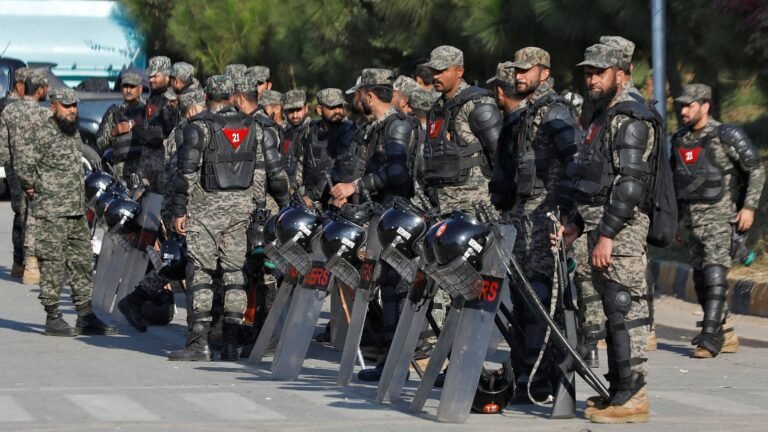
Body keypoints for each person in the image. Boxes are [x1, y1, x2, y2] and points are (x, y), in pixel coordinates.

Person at [560, 43, 653, 423]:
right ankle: (617, 391)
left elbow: (630, 185)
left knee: (623, 307)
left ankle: (634, 396)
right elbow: (592, 179)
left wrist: (608, 234)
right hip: (597, 223)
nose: (592, 78)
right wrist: (576, 225)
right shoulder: (602, 116)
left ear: (623, 71)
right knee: (608, 309)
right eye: (588, 72)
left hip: (622, 227)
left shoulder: (631, 117)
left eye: (600, 71)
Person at [168, 75, 289, 361]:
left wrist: (178, 211)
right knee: (236, 276)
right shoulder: (256, 128)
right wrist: (282, 206)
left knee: (201, 274)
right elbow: (273, 174)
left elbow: (185, 176)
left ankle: (199, 342)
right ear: (233, 96)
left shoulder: (198, 128)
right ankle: (232, 341)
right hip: (242, 212)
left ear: (208, 95)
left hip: (205, 212)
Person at [330, 68, 416, 381]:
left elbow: (397, 174)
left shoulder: (396, 127)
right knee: (388, 289)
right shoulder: (378, 127)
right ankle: (391, 363)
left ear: (368, 94)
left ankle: (398, 364)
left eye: (357, 95)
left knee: (397, 288)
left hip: (401, 216)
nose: (355, 101)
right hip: (384, 215)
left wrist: (356, 186)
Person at [672, 83, 765, 358]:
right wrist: (676, 221)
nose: (684, 110)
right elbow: (677, 182)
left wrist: (748, 208)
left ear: (705, 105)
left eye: (690, 105)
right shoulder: (679, 139)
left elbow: (755, 170)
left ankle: (709, 339)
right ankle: (726, 332)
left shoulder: (726, 135)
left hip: (719, 219)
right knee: (701, 280)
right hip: (691, 221)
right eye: (682, 105)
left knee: (715, 275)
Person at [15, 88, 118, 337]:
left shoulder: (72, 133)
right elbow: (23, 165)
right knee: (53, 263)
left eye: (74, 105)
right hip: (52, 211)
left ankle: (85, 315)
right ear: (53, 107)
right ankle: (53, 316)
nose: (72, 109)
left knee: (82, 262)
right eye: (67, 105)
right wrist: (31, 187)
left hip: (75, 210)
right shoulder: (42, 133)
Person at [119, 89, 208, 332]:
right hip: (185, 209)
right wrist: (177, 213)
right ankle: (198, 327)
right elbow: (181, 178)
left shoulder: (187, 132)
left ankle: (135, 300)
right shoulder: (185, 134)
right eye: (202, 106)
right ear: (192, 110)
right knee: (189, 265)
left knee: (179, 264)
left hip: (183, 208)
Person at [420, 45, 502, 212]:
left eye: (442, 70)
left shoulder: (477, 103)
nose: (435, 76)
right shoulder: (436, 109)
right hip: (442, 207)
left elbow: (500, 154)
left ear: (459, 71)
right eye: (433, 71)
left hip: (475, 206)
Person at [0, 68, 50, 285]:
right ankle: (31, 265)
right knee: (33, 216)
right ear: (40, 89)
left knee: (20, 214)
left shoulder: (8, 112)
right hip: (37, 171)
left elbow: (2, 149)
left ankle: (18, 263)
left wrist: (11, 169)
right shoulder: (46, 114)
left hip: (14, 170)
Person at [296, 88, 356, 210]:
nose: (338, 111)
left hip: (336, 200)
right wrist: (294, 188)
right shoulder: (310, 130)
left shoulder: (349, 131)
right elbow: (301, 161)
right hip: (310, 200)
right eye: (332, 107)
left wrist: (312, 197)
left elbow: (339, 169)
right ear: (319, 109)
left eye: (340, 106)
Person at [0, 66, 30, 279]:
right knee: (21, 212)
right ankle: (20, 261)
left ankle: (24, 260)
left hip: (22, 165)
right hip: (16, 166)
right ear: (20, 85)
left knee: (25, 212)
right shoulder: (11, 106)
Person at [96, 71, 146, 181]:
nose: (128, 90)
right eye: (125, 86)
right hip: (120, 172)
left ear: (140, 89)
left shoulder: (147, 111)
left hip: (142, 170)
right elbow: (99, 142)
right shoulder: (114, 112)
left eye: (132, 86)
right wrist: (114, 132)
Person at [140, 55, 178, 193]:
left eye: (155, 76)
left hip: (163, 163)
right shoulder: (152, 97)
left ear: (167, 76)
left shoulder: (172, 100)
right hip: (147, 162)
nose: (150, 80)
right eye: (149, 77)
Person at [283, 89, 311, 192]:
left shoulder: (312, 131)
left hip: (305, 191)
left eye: (298, 110)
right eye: (290, 111)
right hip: (285, 188)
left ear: (306, 108)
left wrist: (293, 186)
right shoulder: (284, 132)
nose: (295, 115)